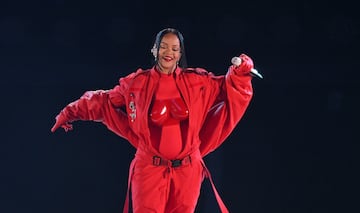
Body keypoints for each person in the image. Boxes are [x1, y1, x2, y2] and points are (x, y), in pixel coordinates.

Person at [51, 27, 256, 213]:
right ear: (154, 49)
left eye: (174, 49)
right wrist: (68, 113)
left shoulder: (198, 82)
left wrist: (241, 70)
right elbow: (103, 100)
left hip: (187, 170)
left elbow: (229, 87)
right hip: (149, 169)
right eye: (164, 47)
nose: (169, 53)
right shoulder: (136, 84)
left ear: (180, 53)